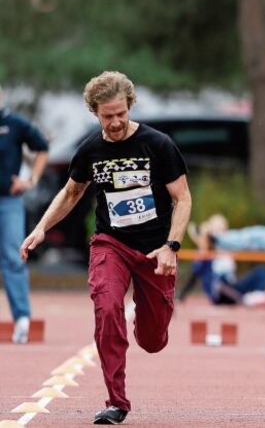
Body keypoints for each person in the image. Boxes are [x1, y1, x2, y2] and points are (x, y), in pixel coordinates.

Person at [20, 71, 192, 425]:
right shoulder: (91, 151)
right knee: (107, 306)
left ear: (130, 106)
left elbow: (183, 197)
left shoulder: (158, 145)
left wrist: (171, 246)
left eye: (120, 114)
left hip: (154, 250)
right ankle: (117, 401)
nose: (114, 122)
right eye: (106, 116)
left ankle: (152, 324)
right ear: (94, 113)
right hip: (110, 244)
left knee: (152, 340)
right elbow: (71, 192)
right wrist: (40, 228)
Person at [0, 86, 49, 344]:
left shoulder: (15, 124)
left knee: (12, 256)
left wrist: (31, 180)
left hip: (8, 201)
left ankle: (21, 319)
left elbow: (42, 147)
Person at [177, 214, 265, 307]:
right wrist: (182, 295)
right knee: (222, 287)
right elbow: (194, 276)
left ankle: (256, 295)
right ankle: (245, 299)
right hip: (219, 291)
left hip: (232, 286)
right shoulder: (206, 253)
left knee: (262, 271)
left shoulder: (228, 246)